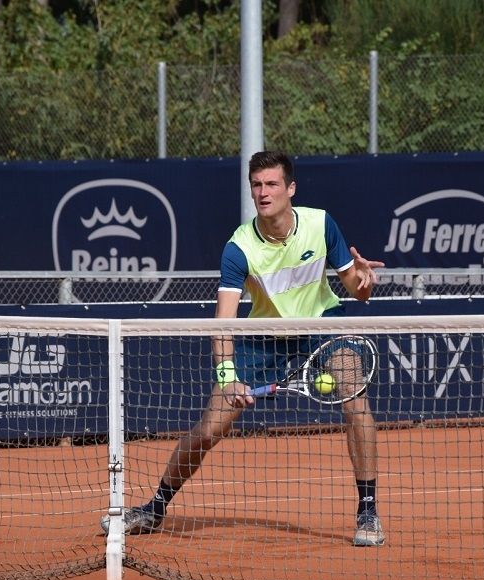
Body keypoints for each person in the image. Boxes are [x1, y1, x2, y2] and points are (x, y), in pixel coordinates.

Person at [102, 150, 386, 546]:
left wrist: (365, 281)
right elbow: (224, 322)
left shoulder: (321, 224)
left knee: (355, 398)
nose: (263, 192)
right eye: (257, 185)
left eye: (272, 184)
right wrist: (228, 377)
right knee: (210, 430)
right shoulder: (239, 247)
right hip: (263, 335)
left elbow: (357, 290)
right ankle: (156, 507)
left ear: (290, 189)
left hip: (321, 325)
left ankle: (368, 512)